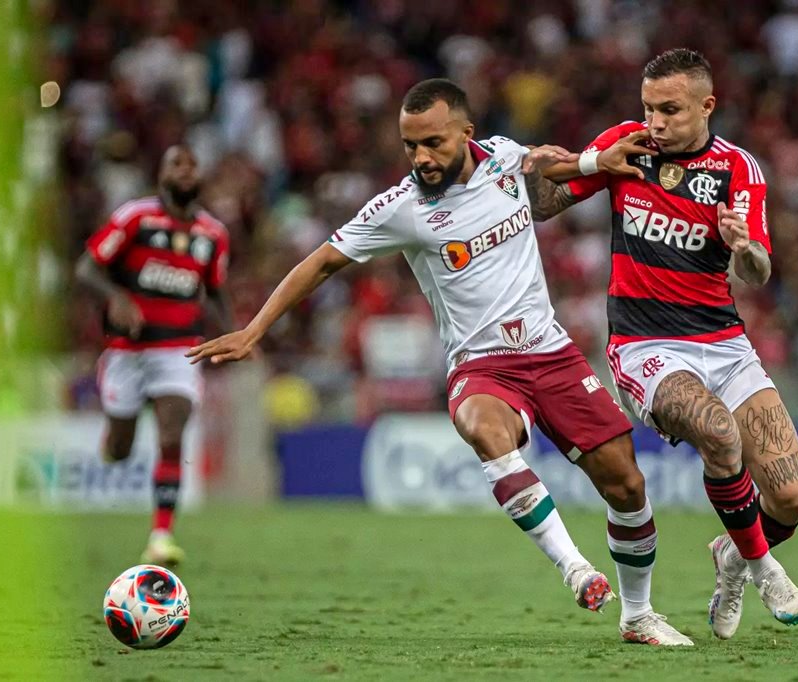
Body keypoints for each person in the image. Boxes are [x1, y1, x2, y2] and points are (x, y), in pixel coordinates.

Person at [187, 79, 692, 646]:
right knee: (483, 427)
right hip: (482, 367)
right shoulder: (401, 209)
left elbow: (544, 163)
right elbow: (322, 262)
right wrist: (255, 328)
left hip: (551, 353)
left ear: (466, 133)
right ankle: (574, 567)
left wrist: (595, 159)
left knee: (626, 485)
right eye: (410, 146)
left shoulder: (501, 157)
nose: (422, 158)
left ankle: (639, 614)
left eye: (433, 143)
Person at [535, 48, 798, 639]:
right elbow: (542, 204)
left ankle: (733, 556)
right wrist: (593, 160)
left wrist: (745, 248)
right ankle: (764, 567)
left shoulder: (739, 169)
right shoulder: (630, 146)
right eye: (648, 108)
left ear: (707, 105)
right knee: (717, 432)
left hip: (725, 342)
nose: (656, 122)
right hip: (645, 344)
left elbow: (760, 271)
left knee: (791, 496)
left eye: (670, 109)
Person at [76, 145, 231, 567]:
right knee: (119, 451)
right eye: (176, 163)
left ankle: (161, 536)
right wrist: (118, 298)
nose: (185, 170)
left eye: (192, 164)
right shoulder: (134, 219)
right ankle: (114, 440)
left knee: (170, 435)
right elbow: (86, 269)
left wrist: (238, 334)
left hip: (178, 349)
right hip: (127, 351)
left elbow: (215, 291)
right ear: (161, 174)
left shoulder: (213, 234)